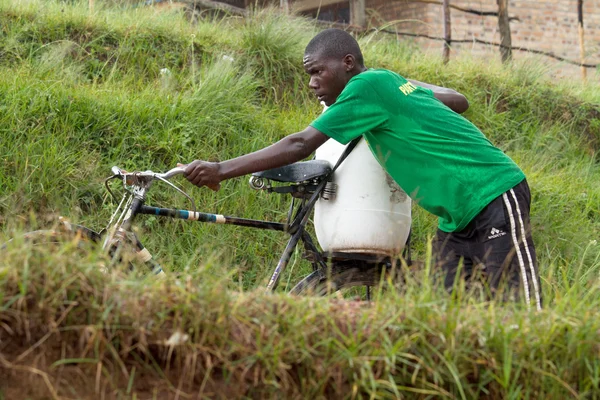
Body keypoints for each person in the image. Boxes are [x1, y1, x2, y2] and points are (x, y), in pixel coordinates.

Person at [181, 28, 542, 310]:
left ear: (348, 63)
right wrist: (408, 89)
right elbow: (457, 100)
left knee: (519, 308)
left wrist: (220, 169)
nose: (311, 83)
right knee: (439, 312)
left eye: (317, 71)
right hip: (457, 219)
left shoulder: (367, 85)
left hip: (494, 192)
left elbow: (299, 144)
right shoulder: (383, 84)